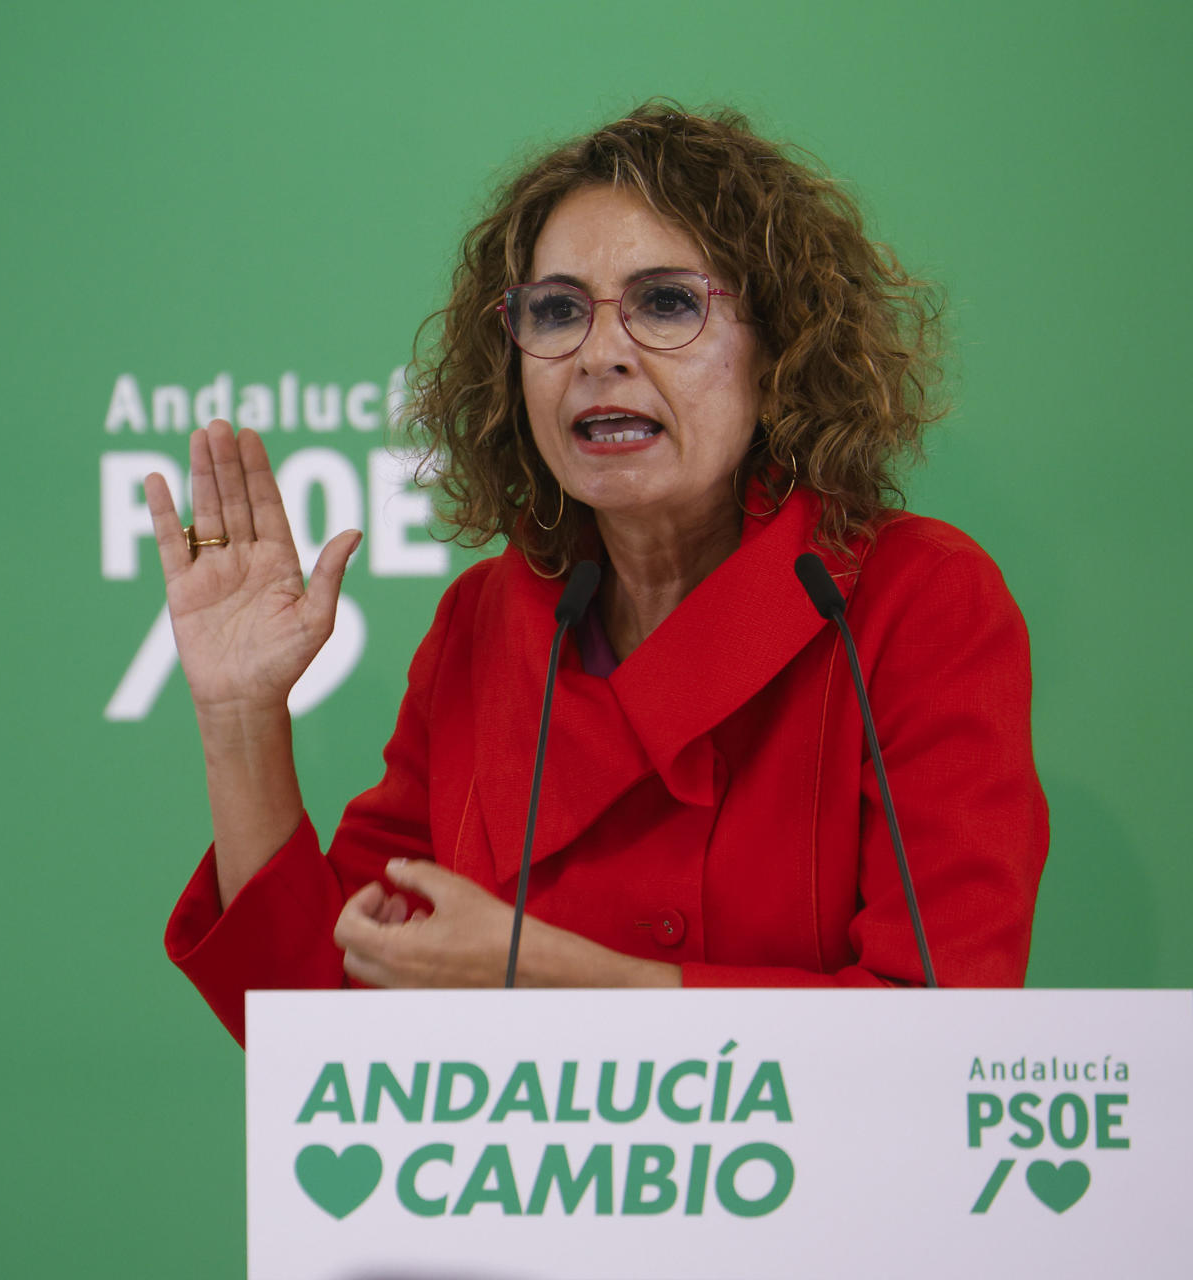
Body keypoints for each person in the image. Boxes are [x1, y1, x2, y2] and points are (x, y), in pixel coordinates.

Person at [148, 104, 1048, 1044]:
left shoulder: (915, 596)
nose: (599, 354)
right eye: (557, 311)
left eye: (667, 302)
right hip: (519, 1194)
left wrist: (555, 975)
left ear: (780, 347)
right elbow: (322, 1021)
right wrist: (242, 716)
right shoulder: (485, 620)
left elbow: (949, 1036)